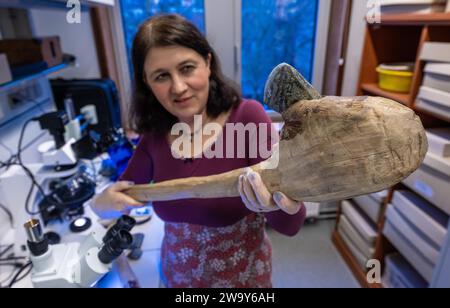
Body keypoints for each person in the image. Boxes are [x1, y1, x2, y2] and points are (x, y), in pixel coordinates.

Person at [91, 14, 306, 288]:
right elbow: (122, 196)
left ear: (207, 62)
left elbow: (291, 226)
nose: (178, 87)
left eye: (187, 68)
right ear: (146, 82)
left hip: (241, 281)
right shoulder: (155, 136)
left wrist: (275, 204)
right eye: (161, 76)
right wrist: (99, 205)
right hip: (176, 277)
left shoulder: (246, 118)